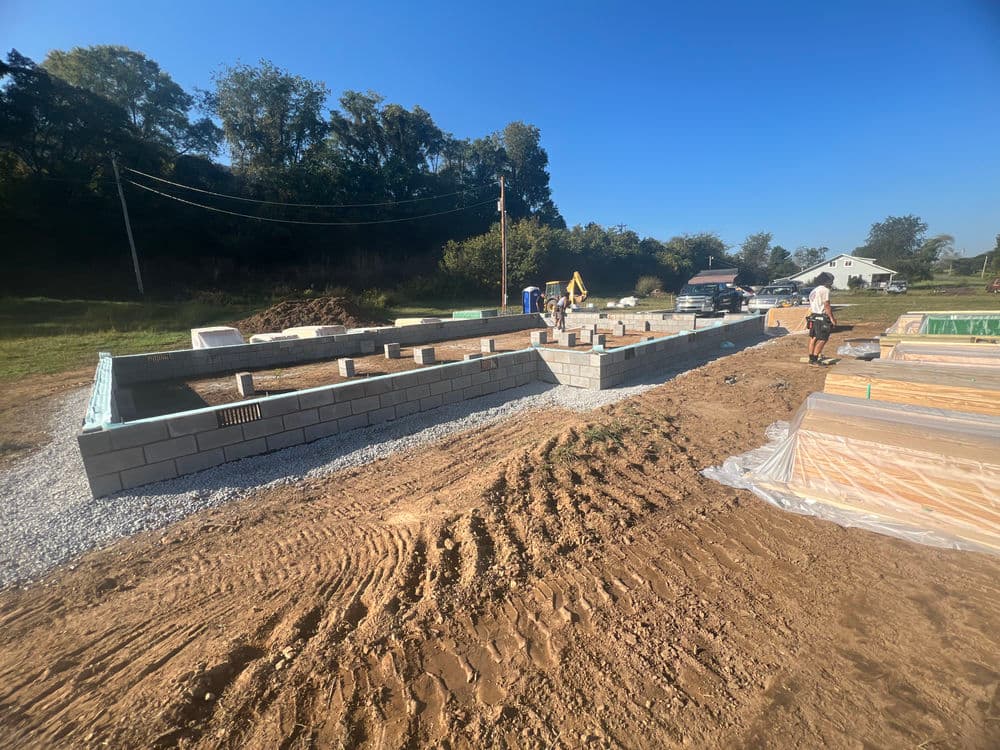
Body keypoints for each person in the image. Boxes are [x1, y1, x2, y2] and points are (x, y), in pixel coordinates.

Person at [807, 272, 837, 365]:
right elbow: (827, 305)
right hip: (821, 317)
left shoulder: (814, 290)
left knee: (814, 338)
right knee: (823, 339)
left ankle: (811, 358)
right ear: (827, 281)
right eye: (831, 281)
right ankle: (815, 360)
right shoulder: (824, 290)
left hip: (814, 316)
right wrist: (832, 318)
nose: (831, 283)